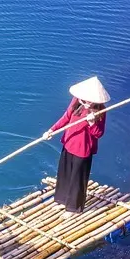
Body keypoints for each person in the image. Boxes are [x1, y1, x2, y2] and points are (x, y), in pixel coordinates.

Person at [43, 76, 109, 213]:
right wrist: (51, 130)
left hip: (83, 149)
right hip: (69, 143)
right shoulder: (76, 102)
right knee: (64, 174)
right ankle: (61, 200)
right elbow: (66, 117)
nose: (83, 102)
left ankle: (73, 208)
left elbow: (98, 134)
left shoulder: (101, 112)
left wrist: (92, 123)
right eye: (82, 99)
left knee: (77, 179)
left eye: (86, 101)